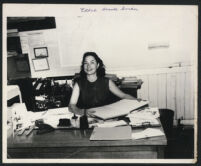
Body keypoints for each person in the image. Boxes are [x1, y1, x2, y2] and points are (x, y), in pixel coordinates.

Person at [69, 52, 139, 115]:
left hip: (106, 118)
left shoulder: (107, 81)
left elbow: (123, 95)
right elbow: (71, 105)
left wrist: (137, 100)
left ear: (97, 65)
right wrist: (83, 112)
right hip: (87, 119)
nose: (88, 66)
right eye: (86, 63)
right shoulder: (78, 84)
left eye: (92, 62)